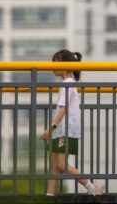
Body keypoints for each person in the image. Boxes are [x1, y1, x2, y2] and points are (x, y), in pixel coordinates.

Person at [40, 49, 105, 196]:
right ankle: (50, 195)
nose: (52, 67)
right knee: (55, 166)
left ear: (65, 65)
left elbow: (63, 108)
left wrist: (51, 128)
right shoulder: (68, 83)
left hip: (64, 130)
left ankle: (92, 187)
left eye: (55, 63)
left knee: (61, 164)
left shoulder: (68, 83)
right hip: (62, 130)